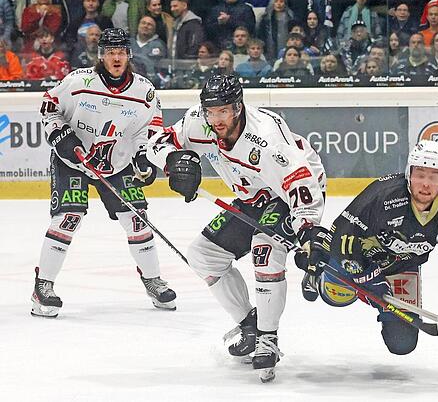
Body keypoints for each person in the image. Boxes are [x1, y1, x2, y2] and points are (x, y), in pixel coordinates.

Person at [146, 74, 327, 382]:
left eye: (224, 111)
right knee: (203, 255)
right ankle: (250, 326)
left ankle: (268, 338)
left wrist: (307, 228)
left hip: (288, 195)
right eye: (211, 111)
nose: (216, 119)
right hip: (252, 196)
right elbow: (156, 143)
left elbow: (299, 181)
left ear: (238, 108)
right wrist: (173, 161)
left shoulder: (266, 137)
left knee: (264, 252)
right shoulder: (198, 121)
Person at [33, 27, 176, 319]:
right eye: (111, 52)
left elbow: (149, 129)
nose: (116, 58)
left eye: (121, 52)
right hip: (73, 161)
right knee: (68, 218)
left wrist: (144, 156)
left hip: (116, 164)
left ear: (129, 55)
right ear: (101, 55)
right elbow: (49, 107)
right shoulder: (79, 81)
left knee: (137, 220)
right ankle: (42, 286)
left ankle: (153, 280)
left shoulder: (144, 90)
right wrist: (62, 137)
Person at [299, 140, 438, 356]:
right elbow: (343, 235)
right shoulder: (383, 195)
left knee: (402, 343)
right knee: (336, 296)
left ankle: (372, 294)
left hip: (402, 267)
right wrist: (366, 277)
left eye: (434, 176)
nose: (426, 184)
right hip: (362, 259)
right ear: (409, 173)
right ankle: (318, 277)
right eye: (420, 175)